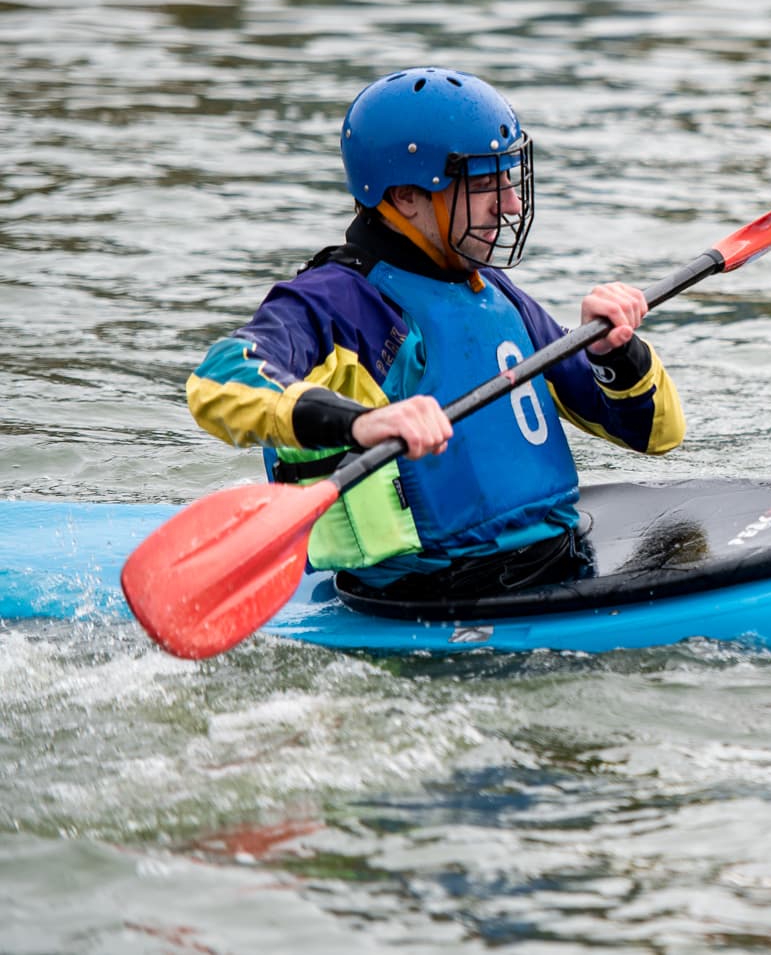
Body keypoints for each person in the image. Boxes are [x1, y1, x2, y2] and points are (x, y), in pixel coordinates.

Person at [186, 67, 684, 597]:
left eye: (509, 178)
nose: (511, 204)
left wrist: (617, 353)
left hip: (557, 564)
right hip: (431, 599)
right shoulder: (339, 302)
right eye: (485, 183)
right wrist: (361, 422)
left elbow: (657, 436)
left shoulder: (495, 294)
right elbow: (219, 381)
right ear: (405, 197)